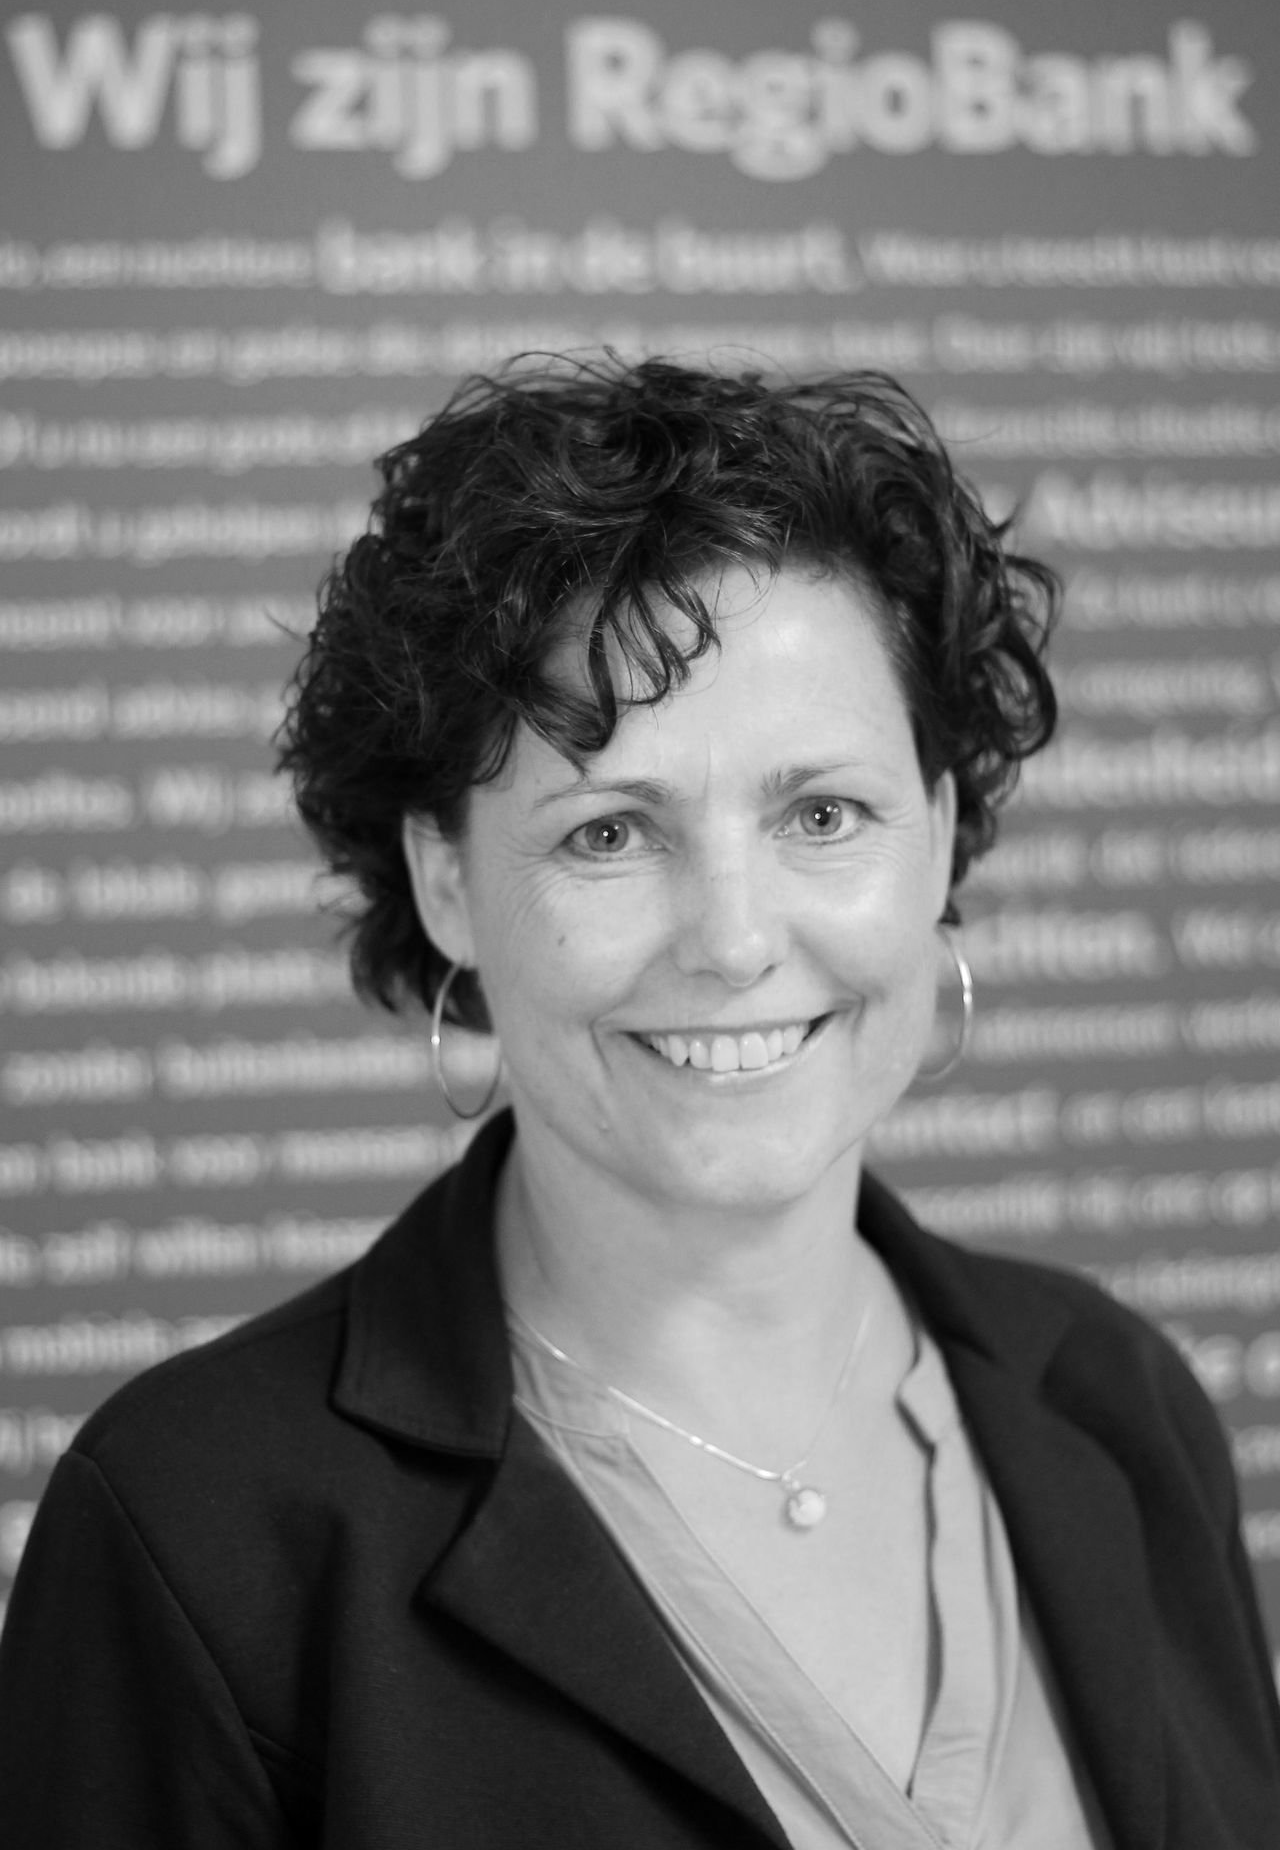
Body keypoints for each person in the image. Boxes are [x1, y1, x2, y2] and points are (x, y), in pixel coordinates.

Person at [1, 356, 1277, 1850]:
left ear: (936, 837)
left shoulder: (1119, 1404)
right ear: (445, 880)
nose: (732, 941)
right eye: (609, 832)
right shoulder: (195, 1533)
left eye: (823, 813)